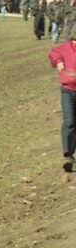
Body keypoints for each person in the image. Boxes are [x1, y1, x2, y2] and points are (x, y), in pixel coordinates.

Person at [50, 34, 76, 172]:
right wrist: (59, 61)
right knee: (69, 121)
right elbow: (54, 52)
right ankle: (68, 155)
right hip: (68, 90)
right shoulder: (66, 48)